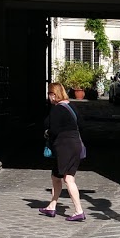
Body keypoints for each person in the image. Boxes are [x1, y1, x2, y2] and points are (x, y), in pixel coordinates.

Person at [40, 82, 86, 221]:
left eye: (49, 94)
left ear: (54, 95)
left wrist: (47, 133)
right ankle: (52, 206)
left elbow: (52, 129)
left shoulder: (57, 109)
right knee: (56, 176)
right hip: (75, 144)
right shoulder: (71, 106)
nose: (48, 97)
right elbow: (82, 124)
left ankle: (79, 211)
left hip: (64, 145)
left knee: (68, 179)